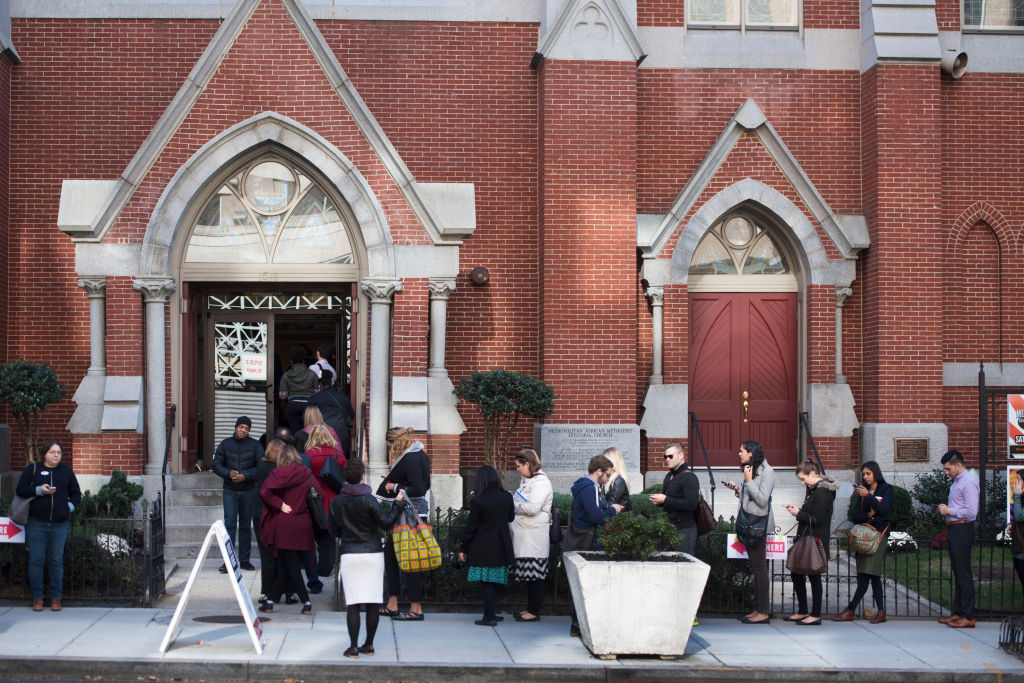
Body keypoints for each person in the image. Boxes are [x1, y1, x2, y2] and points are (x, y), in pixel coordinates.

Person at [329, 459, 409, 658]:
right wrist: (398, 504)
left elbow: (333, 530)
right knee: (373, 601)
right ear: (363, 476)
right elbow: (386, 523)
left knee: (353, 603)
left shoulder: (336, 501)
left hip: (350, 553)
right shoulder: (369, 500)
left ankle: (353, 647)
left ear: (345, 478)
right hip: (372, 553)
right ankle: (369, 645)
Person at [16, 440, 81, 611]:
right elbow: (20, 489)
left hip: (59, 524)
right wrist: (39, 490)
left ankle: (56, 598)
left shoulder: (66, 471)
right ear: (45, 453)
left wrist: (69, 507)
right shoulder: (34, 469)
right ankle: (37, 598)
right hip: (36, 523)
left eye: (58, 452)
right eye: (52, 452)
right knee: (36, 560)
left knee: (55, 561)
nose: (56, 455)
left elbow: (76, 494)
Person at [377, 426, 432, 621]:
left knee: (410, 560)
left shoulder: (410, 458)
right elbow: (425, 484)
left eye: (390, 446)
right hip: (408, 512)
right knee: (391, 556)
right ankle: (393, 604)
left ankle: (416, 609)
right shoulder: (420, 455)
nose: (390, 450)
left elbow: (418, 488)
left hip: (410, 513)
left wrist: (395, 486)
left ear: (395, 442)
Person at [567, 454, 623, 636]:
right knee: (587, 584)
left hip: (586, 538)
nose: (608, 479)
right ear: (599, 471)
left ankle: (579, 624)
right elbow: (596, 517)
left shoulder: (587, 487)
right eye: (607, 475)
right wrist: (613, 511)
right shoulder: (589, 488)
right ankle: (579, 625)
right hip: (588, 540)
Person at [258, 445, 316, 615]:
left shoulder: (277, 474)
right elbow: (318, 493)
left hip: (283, 522)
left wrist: (280, 504)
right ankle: (270, 602)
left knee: (291, 565)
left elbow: (264, 492)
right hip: (302, 522)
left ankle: (306, 601)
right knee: (286, 564)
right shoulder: (306, 473)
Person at [833, 460, 893, 624]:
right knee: (866, 576)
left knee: (869, 574)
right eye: (863, 474)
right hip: (863, 537)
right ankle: (877, 612)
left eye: (868, 474)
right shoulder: (860, 493)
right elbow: (855, 517)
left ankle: (852, 610)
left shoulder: (886, 489)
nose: (865, 477)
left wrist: (869, 497)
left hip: (878, 537)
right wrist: (869, 515)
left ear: (875, 473)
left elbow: (885, 511)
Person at [724, 440, 775, 624]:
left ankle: (763, 611)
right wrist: (739, 489)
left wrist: (748, 481)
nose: (739, 454)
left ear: (751, 453)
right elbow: (750, 497)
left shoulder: (767, 472)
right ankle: (757, 609)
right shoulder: (750, 470)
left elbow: (762, 500)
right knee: (755, 568)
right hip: (748, 523)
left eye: (742, 451)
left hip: (758, 526)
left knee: (760, 569)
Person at [783, 461, 837, 626]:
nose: (802, 482)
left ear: (813, 473)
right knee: (796, 572)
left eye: (803, 478)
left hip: (815, 539)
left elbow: (818, 520)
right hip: (806, 537)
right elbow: (811, 513)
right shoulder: (814, 490)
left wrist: (799, 513)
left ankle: (815, 614)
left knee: (814, 576)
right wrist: (799, 510)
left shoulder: (822, 492)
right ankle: (803, 611)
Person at [460, 466, 515, 626]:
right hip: (501, 544)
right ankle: (492, 613)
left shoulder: (478, 501)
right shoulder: (506, 497)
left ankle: (489, 616)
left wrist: (463, 548)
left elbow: (471, 527)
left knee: (486, 582)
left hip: (482, 545)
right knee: (494, 581)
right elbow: (511, 518)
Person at [212, 415, 264, 572]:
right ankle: (228, 560)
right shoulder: (225, 444)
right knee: (229, 524)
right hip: (230, 490)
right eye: (241, 427)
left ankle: (244, 560)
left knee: (246, 526)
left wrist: (245, 476)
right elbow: (215, 464)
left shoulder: (256, 446)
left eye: (247, 428)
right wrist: (229, 473)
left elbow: (260, 467)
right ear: (236, 427)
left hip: (249, 490)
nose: (243, 430)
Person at [937, 449, 979, 628]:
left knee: (963, 573)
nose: (946, 473)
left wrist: (949, 511)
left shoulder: (968, 482)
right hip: (955, 528)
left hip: (963, 527)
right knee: (958, 572)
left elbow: (971, 511)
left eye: (948, 469)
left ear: (959, 465)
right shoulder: (957, 481)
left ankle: (968, 615)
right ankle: (957, 612)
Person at [509, 448, 553, 623]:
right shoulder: (527, 481)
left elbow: (533, 508)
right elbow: (521, 500)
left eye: (519, 466)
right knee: (529, 575)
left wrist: (513, 505)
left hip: (533, 537)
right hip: (526, 535)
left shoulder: (541, 482)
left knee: (535, 575)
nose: (517, 469)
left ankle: (534, 611)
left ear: (528, 464)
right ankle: (529, 608)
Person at [304, 424, 346, 576]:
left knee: (312, 534)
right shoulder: (338, 454)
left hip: (313, 498)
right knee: (328, 536)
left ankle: (311, 567)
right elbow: (346, 476)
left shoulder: (308, 455)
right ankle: (325, 567)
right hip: (333, 499)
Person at [650, 441, 699, 555]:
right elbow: (669, 500)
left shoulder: (689, 478)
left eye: (670, 456)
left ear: (681, 456)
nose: (667, 459)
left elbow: (692, 505)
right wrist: (659, 501)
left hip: (684, 530)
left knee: (684, 565)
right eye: (665, 456)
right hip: (668, 528)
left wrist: (666, 500)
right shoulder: (669, 476)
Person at [253, 439, 281, 606]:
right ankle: (284, 591)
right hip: (274, 512)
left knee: (266, 553)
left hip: (259, 512)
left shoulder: (260, 467)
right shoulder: (279, 469)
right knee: (280, 553)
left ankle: (268, 591)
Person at [308, 368, 355, 457]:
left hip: (320, 433)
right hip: (340, 433)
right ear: (331, 382)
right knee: (340, 458)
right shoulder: (343, 397)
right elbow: (351, 416)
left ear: (320, 384)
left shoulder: (314, 399)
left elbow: (306, 417)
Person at [280, 345, 319, 432]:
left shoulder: (286, 375)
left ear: (291, 361)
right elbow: (317, 393)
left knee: (295, 433)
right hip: (308, 406)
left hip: (292, 405)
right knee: (309, 433)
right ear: (303, 360)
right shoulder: (312, 374)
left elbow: (282, 396)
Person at [602, 447, 631, 512]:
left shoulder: (618, 481)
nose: (602, 463)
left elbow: (610, 505)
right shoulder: (610, 479)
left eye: (604, 460)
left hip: (620, 519)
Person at [1009, 470, 1024, 601]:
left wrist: (1017, 495)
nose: (1016, 483)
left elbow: (1020, 516)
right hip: (1018, 550)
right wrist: (1011, 526)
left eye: (1019, 479)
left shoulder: (1019, 497)